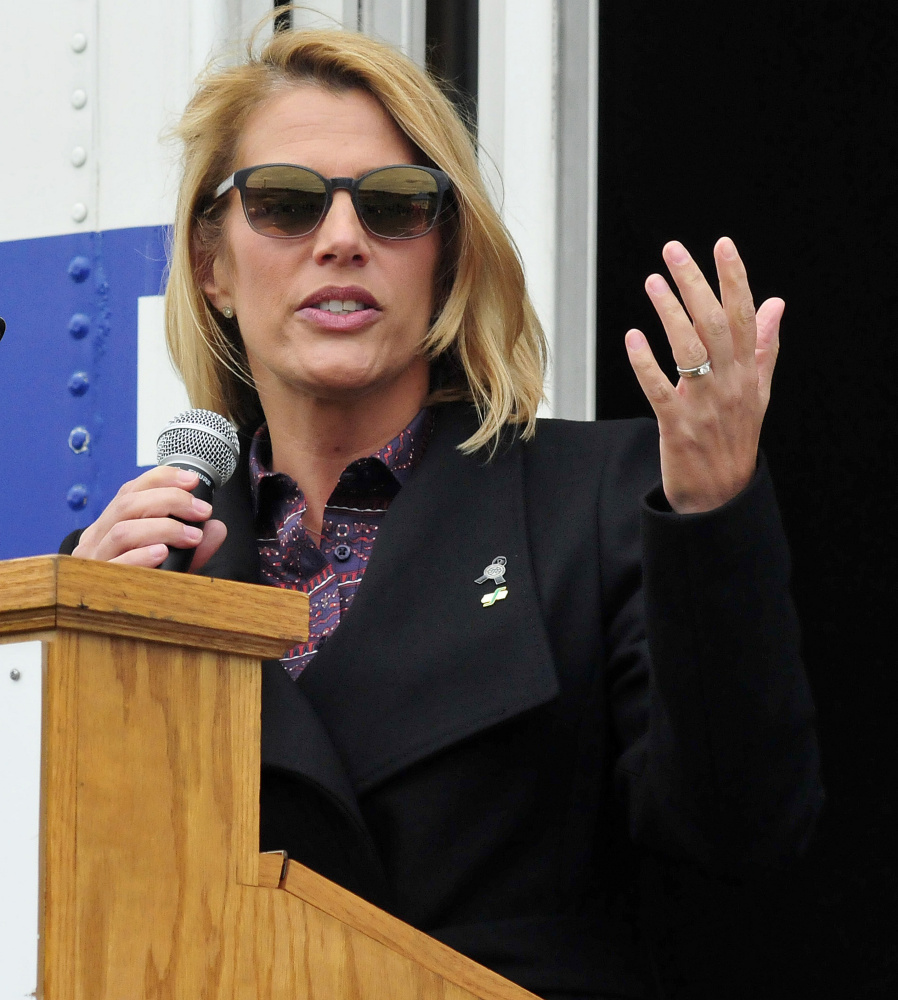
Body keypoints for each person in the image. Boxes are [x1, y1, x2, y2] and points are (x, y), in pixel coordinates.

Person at [61, 24, 822, 1000]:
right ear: (210, 261)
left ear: (446, 258)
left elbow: (744, 833)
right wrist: (89, 655)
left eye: (393, 207)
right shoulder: (138, 560)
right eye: (287, 204)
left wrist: (713, 518)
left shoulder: (605, 498)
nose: (341, 239)